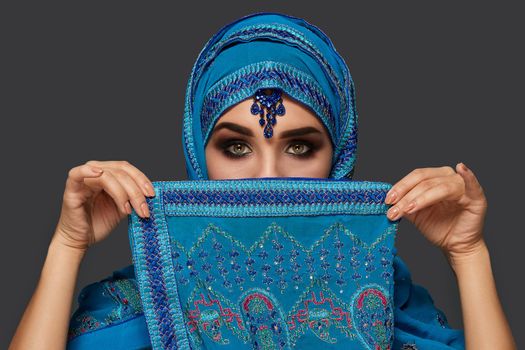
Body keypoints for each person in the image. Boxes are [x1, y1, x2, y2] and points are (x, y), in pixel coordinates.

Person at [9, 12, 515, 350]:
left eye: (300, 147)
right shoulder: (133, 305)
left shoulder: (391, 301)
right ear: (197, 154)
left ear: (338, 157)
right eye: (235, 147)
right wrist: (67, 245)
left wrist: (470, 256)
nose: (268, 177)